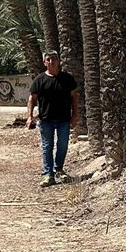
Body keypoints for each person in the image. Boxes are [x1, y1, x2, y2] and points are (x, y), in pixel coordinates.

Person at [25, 50, 79, 187]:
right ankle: (48, 174)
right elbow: (32, 99)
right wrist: (29, 117)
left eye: (54, 59)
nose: (51, 61)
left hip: (64, 120)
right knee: (47, 147)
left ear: (59, 61)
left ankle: (59, 169)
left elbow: (74, 98)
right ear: (44, 62)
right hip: (46, 120)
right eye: (48, 59)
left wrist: (75, 116)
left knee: (63, 145)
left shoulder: (67, 79)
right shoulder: (40, 80)